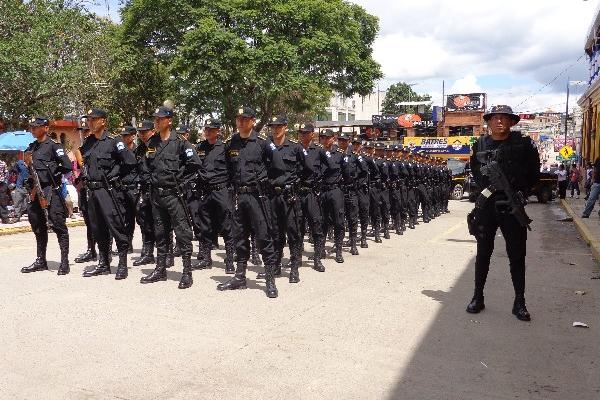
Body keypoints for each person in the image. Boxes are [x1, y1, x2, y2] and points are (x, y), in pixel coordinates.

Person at [466, 105, 540, 321]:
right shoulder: (480, 144)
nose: (499, 121)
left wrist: (521, 192)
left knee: (517, 255)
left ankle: (519, 302)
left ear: (511, 122)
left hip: (511, 206)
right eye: (495, 118)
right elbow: (475, 171)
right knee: (483, 253)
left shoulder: (523, 144)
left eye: (504, 118)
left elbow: (534, 172)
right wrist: (487, 188)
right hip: (487, 206)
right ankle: (477, 297)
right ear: (488, 122)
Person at [217, 106, 284, 298]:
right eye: (239, 119)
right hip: (239, 196)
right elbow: (227, 169)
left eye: (245, 119)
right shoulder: (231, 143)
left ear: (253, 121)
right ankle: (240, 276)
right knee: (239, 235)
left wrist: (267, 187)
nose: (241, 122)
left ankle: (270, 279)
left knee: (264, 236)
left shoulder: (263, 143)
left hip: (258, 196)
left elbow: (278, 167)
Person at [139, 107, 202, 289]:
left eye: (160, 119)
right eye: (156, 119)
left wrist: (182, 183)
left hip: (175, 195)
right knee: (160, 232)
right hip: (157, 196)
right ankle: (160, 269)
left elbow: (195, 164)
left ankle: (187, 271)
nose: (157, 122)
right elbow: (145, 166)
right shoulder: (152, 143)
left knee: (182, 233)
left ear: (169, 120)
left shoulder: (180, 143)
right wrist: (150, 181)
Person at [80, 108, 136, 280]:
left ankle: (122, 264)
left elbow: (130, 162)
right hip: (93, 191)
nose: (90, 122)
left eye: (93, 119)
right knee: (98, 228)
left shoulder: (114, 141)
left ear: (103, 121)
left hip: (109, 191)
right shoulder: (88, 142)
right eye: (88, 119)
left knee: (116, 226)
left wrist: (115, 175)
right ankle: (103, 263)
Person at [21, 116, 72, 275]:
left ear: (45, 128)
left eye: (36, 127)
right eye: (32, 127)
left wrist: (51, 173)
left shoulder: (53, 146)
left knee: (58, 225)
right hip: (35, 191)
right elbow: (28, 169)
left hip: (51, 190)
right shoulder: (31, 147)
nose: (33, 130)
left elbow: (67, 166)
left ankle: (64, 261)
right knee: (38, 226)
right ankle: (41, 260)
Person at [192, 118, 235, 274]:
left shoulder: (225, 148)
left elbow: (233, 169)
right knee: (205, 225)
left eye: (211, 129)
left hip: (221, 190)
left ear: (218, 131)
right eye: (206, 129)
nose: (207, 132)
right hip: (205, 191)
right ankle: (206, 258)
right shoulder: (199, 148)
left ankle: (230, 260)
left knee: (226, 225)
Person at [132, 120, 157, 266]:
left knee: (161, 223)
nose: (142, 134)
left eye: (145, 131)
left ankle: (166, 254)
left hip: (157, 188)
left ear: (152, 131)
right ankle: (148, 253)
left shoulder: (159, 146)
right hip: (144, 190)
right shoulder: (139, 149)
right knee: (145, 221)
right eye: (140, 132)